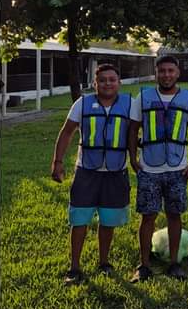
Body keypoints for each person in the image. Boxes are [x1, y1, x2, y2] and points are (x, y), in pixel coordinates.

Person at [51, 63, 133, 284]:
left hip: (116, 172)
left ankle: (103, 262)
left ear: (119, 83)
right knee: (79, 220)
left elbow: (137, 133)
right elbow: (67, 132)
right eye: (102, 80)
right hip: (86, 171)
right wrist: (57, 162)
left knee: (108, 221)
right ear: (95, 83)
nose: (107, 83)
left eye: (112, 79)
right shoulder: (83, 103)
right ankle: (74, 267)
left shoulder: (130, 105)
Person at [127, 53, 188, 282]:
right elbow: (133, 129)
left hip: (178, 168)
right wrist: (133, 157)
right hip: (149, 167)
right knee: (147, 217)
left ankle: (175, 263)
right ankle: (144, 264)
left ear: (178, 73)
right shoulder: (144, 96)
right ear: (156, 73)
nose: (166, 75)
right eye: (162, 71)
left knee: (174, 215)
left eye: (171, 71)